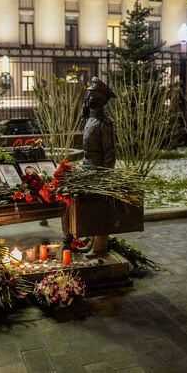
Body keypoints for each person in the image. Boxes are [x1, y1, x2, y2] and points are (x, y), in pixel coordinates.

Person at [75, 77, 117, 259]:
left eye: (91, 93)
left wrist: (105, 177)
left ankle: (100, 246)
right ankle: (92, 240)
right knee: (90, 208)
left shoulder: (105, 123)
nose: (88, 96)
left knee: (99, 209)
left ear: (99, 98)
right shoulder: (90, 119)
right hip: (87, 169)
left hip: (98, 171)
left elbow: (110, 154)